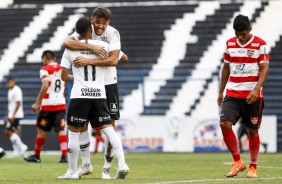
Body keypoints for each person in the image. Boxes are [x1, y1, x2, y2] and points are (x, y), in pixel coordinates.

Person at [58, 16, 129, 180]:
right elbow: (120, 58)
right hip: (99, 95)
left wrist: (77, 76)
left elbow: (63, 76)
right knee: (110, 130)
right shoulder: (104, 46)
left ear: (76, 32)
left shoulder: (70, 48)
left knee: (74, 133)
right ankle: (122, 163)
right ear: (91, 28)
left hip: (79, 96)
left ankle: (72, 171)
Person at [217, 14, 269, 178]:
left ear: (250, 30)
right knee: (225, 123)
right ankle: (238, 162)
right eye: (237, 33)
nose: (239, 37)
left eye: (243, 34)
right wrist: (220, 91)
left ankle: (253, 167)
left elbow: (264, 68)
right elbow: (226, 68)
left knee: (251, 131)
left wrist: (256, 88)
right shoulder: (229, 44)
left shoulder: (261, 45)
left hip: (252, 96)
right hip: (232, 93)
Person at [24, 50, 68, 163]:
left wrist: (37, 102)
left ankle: (37, 156)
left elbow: (45, 85)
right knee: (61, 130)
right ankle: (64, 156)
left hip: (48, 106)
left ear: (45, 58)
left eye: (42, 59)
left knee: (41, 129)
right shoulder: (62, 68)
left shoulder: (45, 69)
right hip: (61, 104)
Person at [4, 76, 28, 158]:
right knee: (14, 132)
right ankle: (17, 151)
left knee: (8, 131)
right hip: (11, 115)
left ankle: (22, 146)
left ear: (13, 81)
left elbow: (18, 103)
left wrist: (13, 115)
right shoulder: (10, 91)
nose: (8, 84)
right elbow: (9, 104)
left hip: (16, 115)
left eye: (9, 82)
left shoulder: (17, 90)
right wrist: (7, 115)